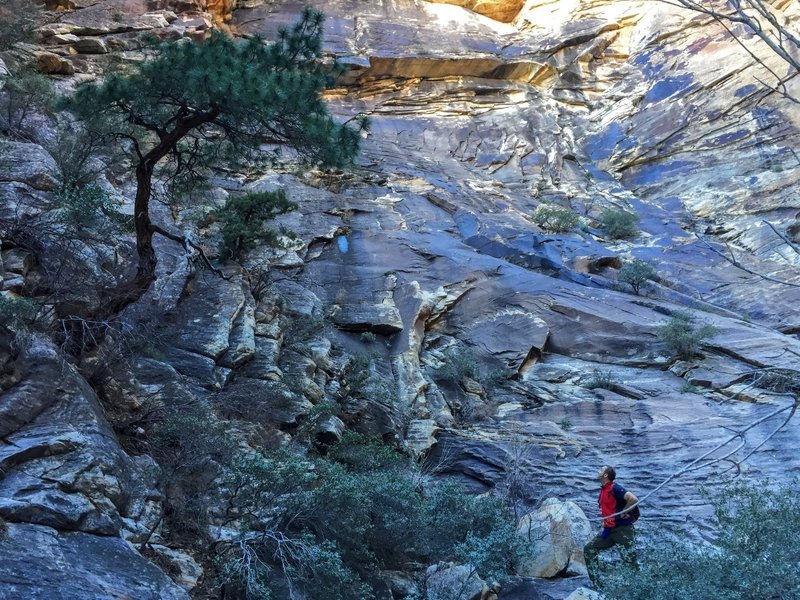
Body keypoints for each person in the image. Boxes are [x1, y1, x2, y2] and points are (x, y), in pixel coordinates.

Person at [583, 465, 638, 585]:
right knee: (588, 549)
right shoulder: (603, 490)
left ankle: (640, 588)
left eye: (601, 470)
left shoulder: (615, 488)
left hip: (623, 531)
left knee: (630, 562)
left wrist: (624, 511)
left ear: (605, 475)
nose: (598, 471)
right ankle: (597, 583)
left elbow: (633, 499)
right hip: (609, 531)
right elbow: (609, 509)